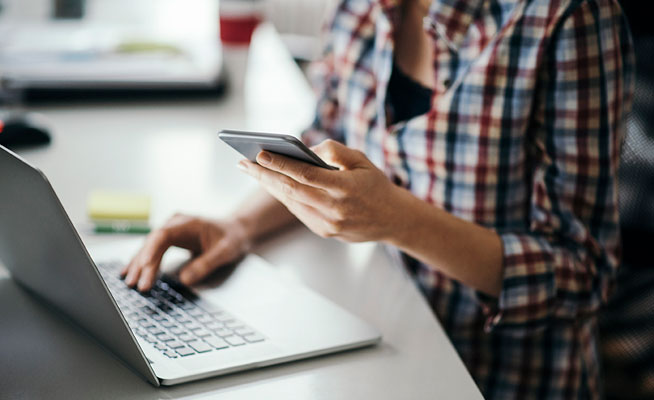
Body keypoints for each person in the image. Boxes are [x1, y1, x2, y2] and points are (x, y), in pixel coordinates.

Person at [121, 0, 634, 398]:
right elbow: (327, 140)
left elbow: (583, 271)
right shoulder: (360, 9)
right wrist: (236, 228)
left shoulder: (567, 19)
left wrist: (400, 221)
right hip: (382, 347)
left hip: (500, 378)